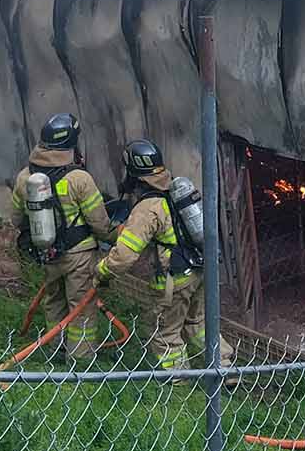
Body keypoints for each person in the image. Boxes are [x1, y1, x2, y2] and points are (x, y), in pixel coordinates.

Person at [96, 140, 235, 374]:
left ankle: (178, 385)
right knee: (198, 324)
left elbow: (125, 256)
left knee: (165, 332)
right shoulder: (176, 191)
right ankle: (225, 370)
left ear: (134, 174)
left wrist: (101, 271)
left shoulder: (148, 208)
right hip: (201, 270)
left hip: (175, 280)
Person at [8, 113, 115, 360]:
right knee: (80, 307)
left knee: (54, 301)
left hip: (47, 253)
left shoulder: (26, 177)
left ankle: (55, 351)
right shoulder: (79, 179)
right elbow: (99, 224)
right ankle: (80, 360)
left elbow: (15, 218)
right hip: (79, 255)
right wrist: (115, 237)